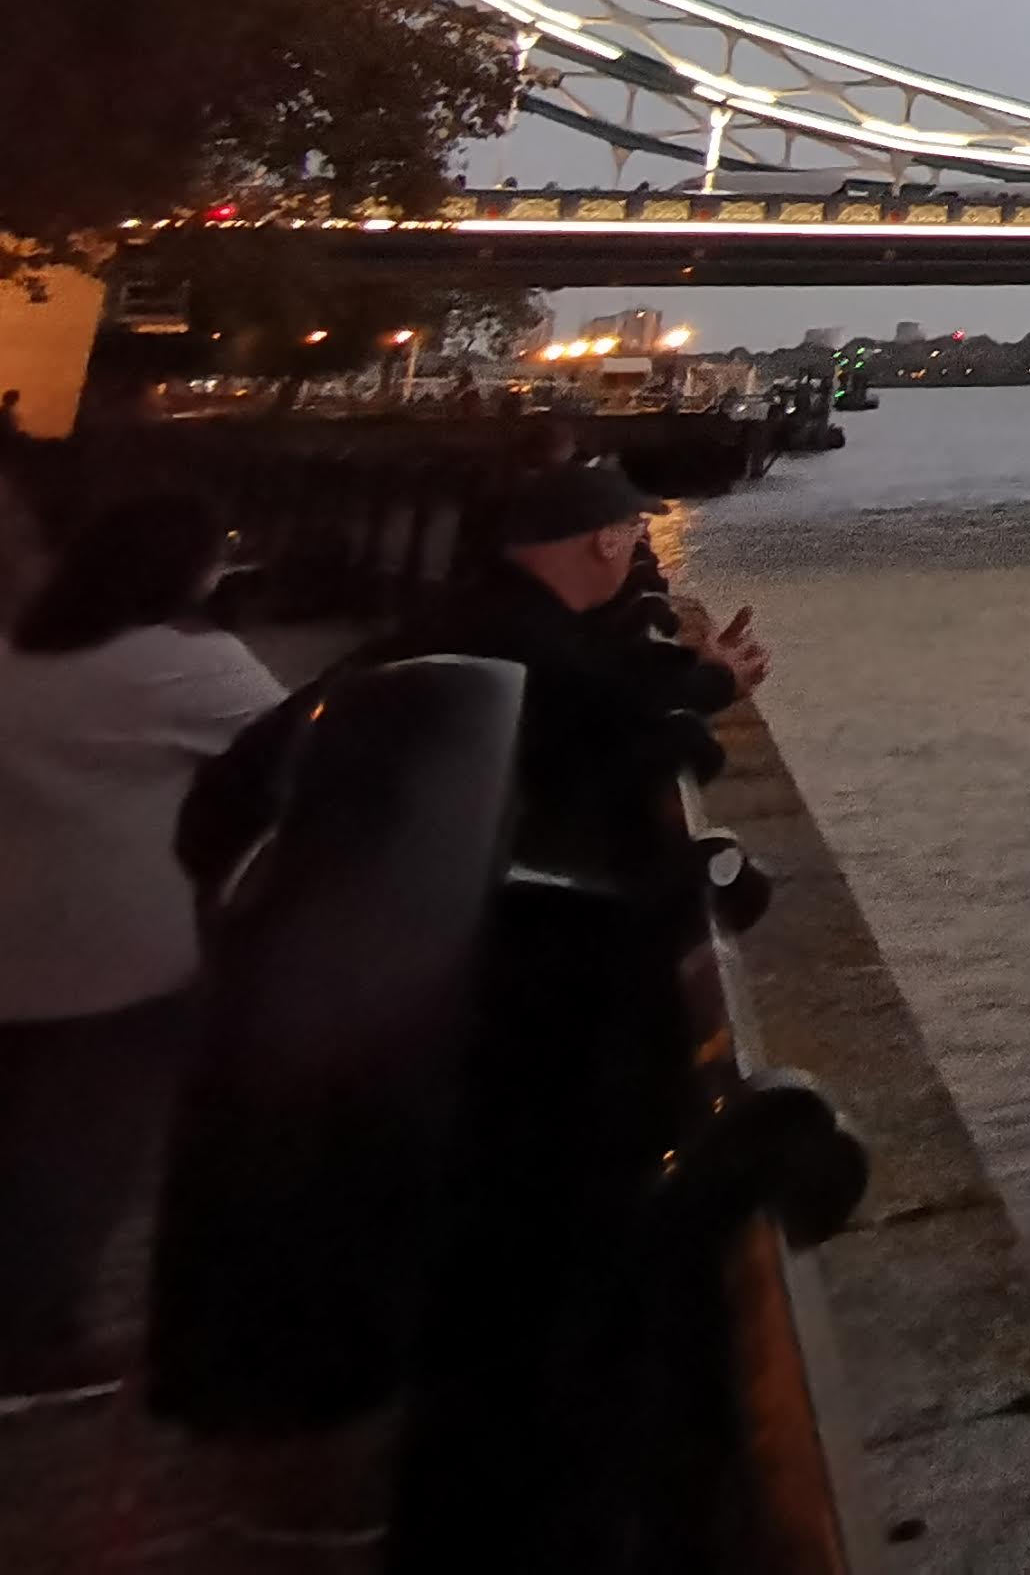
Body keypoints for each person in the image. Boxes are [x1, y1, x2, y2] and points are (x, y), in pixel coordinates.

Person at [0, 494, 290, 1405]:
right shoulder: (190, 666)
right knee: (79, 1162)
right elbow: (311, 751)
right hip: (120, 954)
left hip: (16, 936)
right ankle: (24, 1352)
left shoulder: (18, 649)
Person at [381, 461, 765, 843]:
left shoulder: (499, 603)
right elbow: (600, 701)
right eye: (635, 531)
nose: (639, 547)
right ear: (605, 542)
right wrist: (716, 682)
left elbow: (600, 672)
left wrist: (696, 667)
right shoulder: (520, 629)